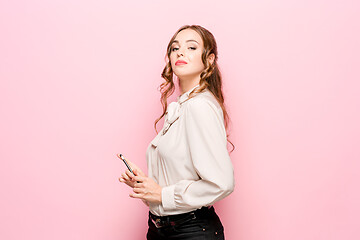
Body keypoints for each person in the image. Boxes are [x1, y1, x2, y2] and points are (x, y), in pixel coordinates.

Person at [118, 24, 235, 240]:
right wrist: (147, 186)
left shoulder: (199, 106)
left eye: (191, 47)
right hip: (161, 228)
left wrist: (162, 194)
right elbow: (177, 176)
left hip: (190, 230)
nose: (180, 52)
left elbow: (223, 183)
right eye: (175, 48)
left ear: (209, 60)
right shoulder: (181, 106)